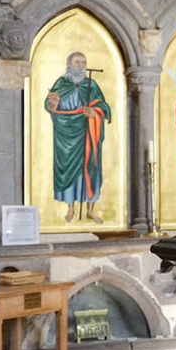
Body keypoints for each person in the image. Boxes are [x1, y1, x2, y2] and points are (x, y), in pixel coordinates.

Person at [44, 51, 109, 224]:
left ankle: (90, 210)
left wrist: (94, 112)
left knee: (90, 167)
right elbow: (49, 105)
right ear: (69, 65)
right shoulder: (61, 83)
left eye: (83, 62)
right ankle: (70, 209)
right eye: (77, 62)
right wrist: (54, 102)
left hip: (87, 132)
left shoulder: (91, 84)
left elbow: (103, 106)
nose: (81, 66)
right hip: (66, 134)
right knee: (68, 170)